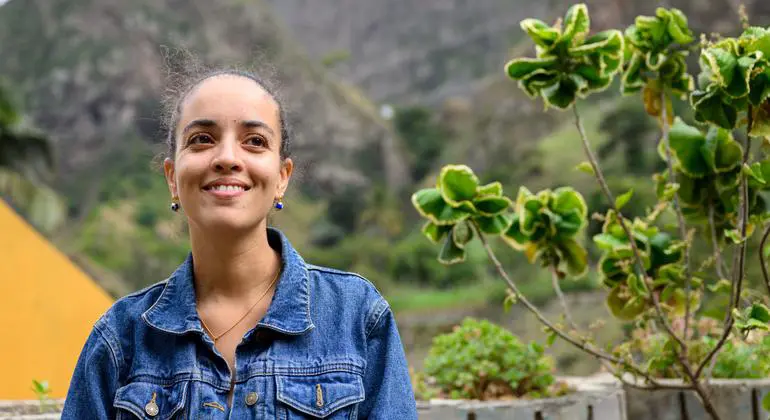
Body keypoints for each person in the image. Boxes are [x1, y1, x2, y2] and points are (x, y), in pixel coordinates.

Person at [61, 67, 418, 419]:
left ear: (282, 177)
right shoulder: (121, 339)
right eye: (202, 138)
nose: (228, 158)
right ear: (172, 178)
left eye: (255, 141)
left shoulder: (356, 317)